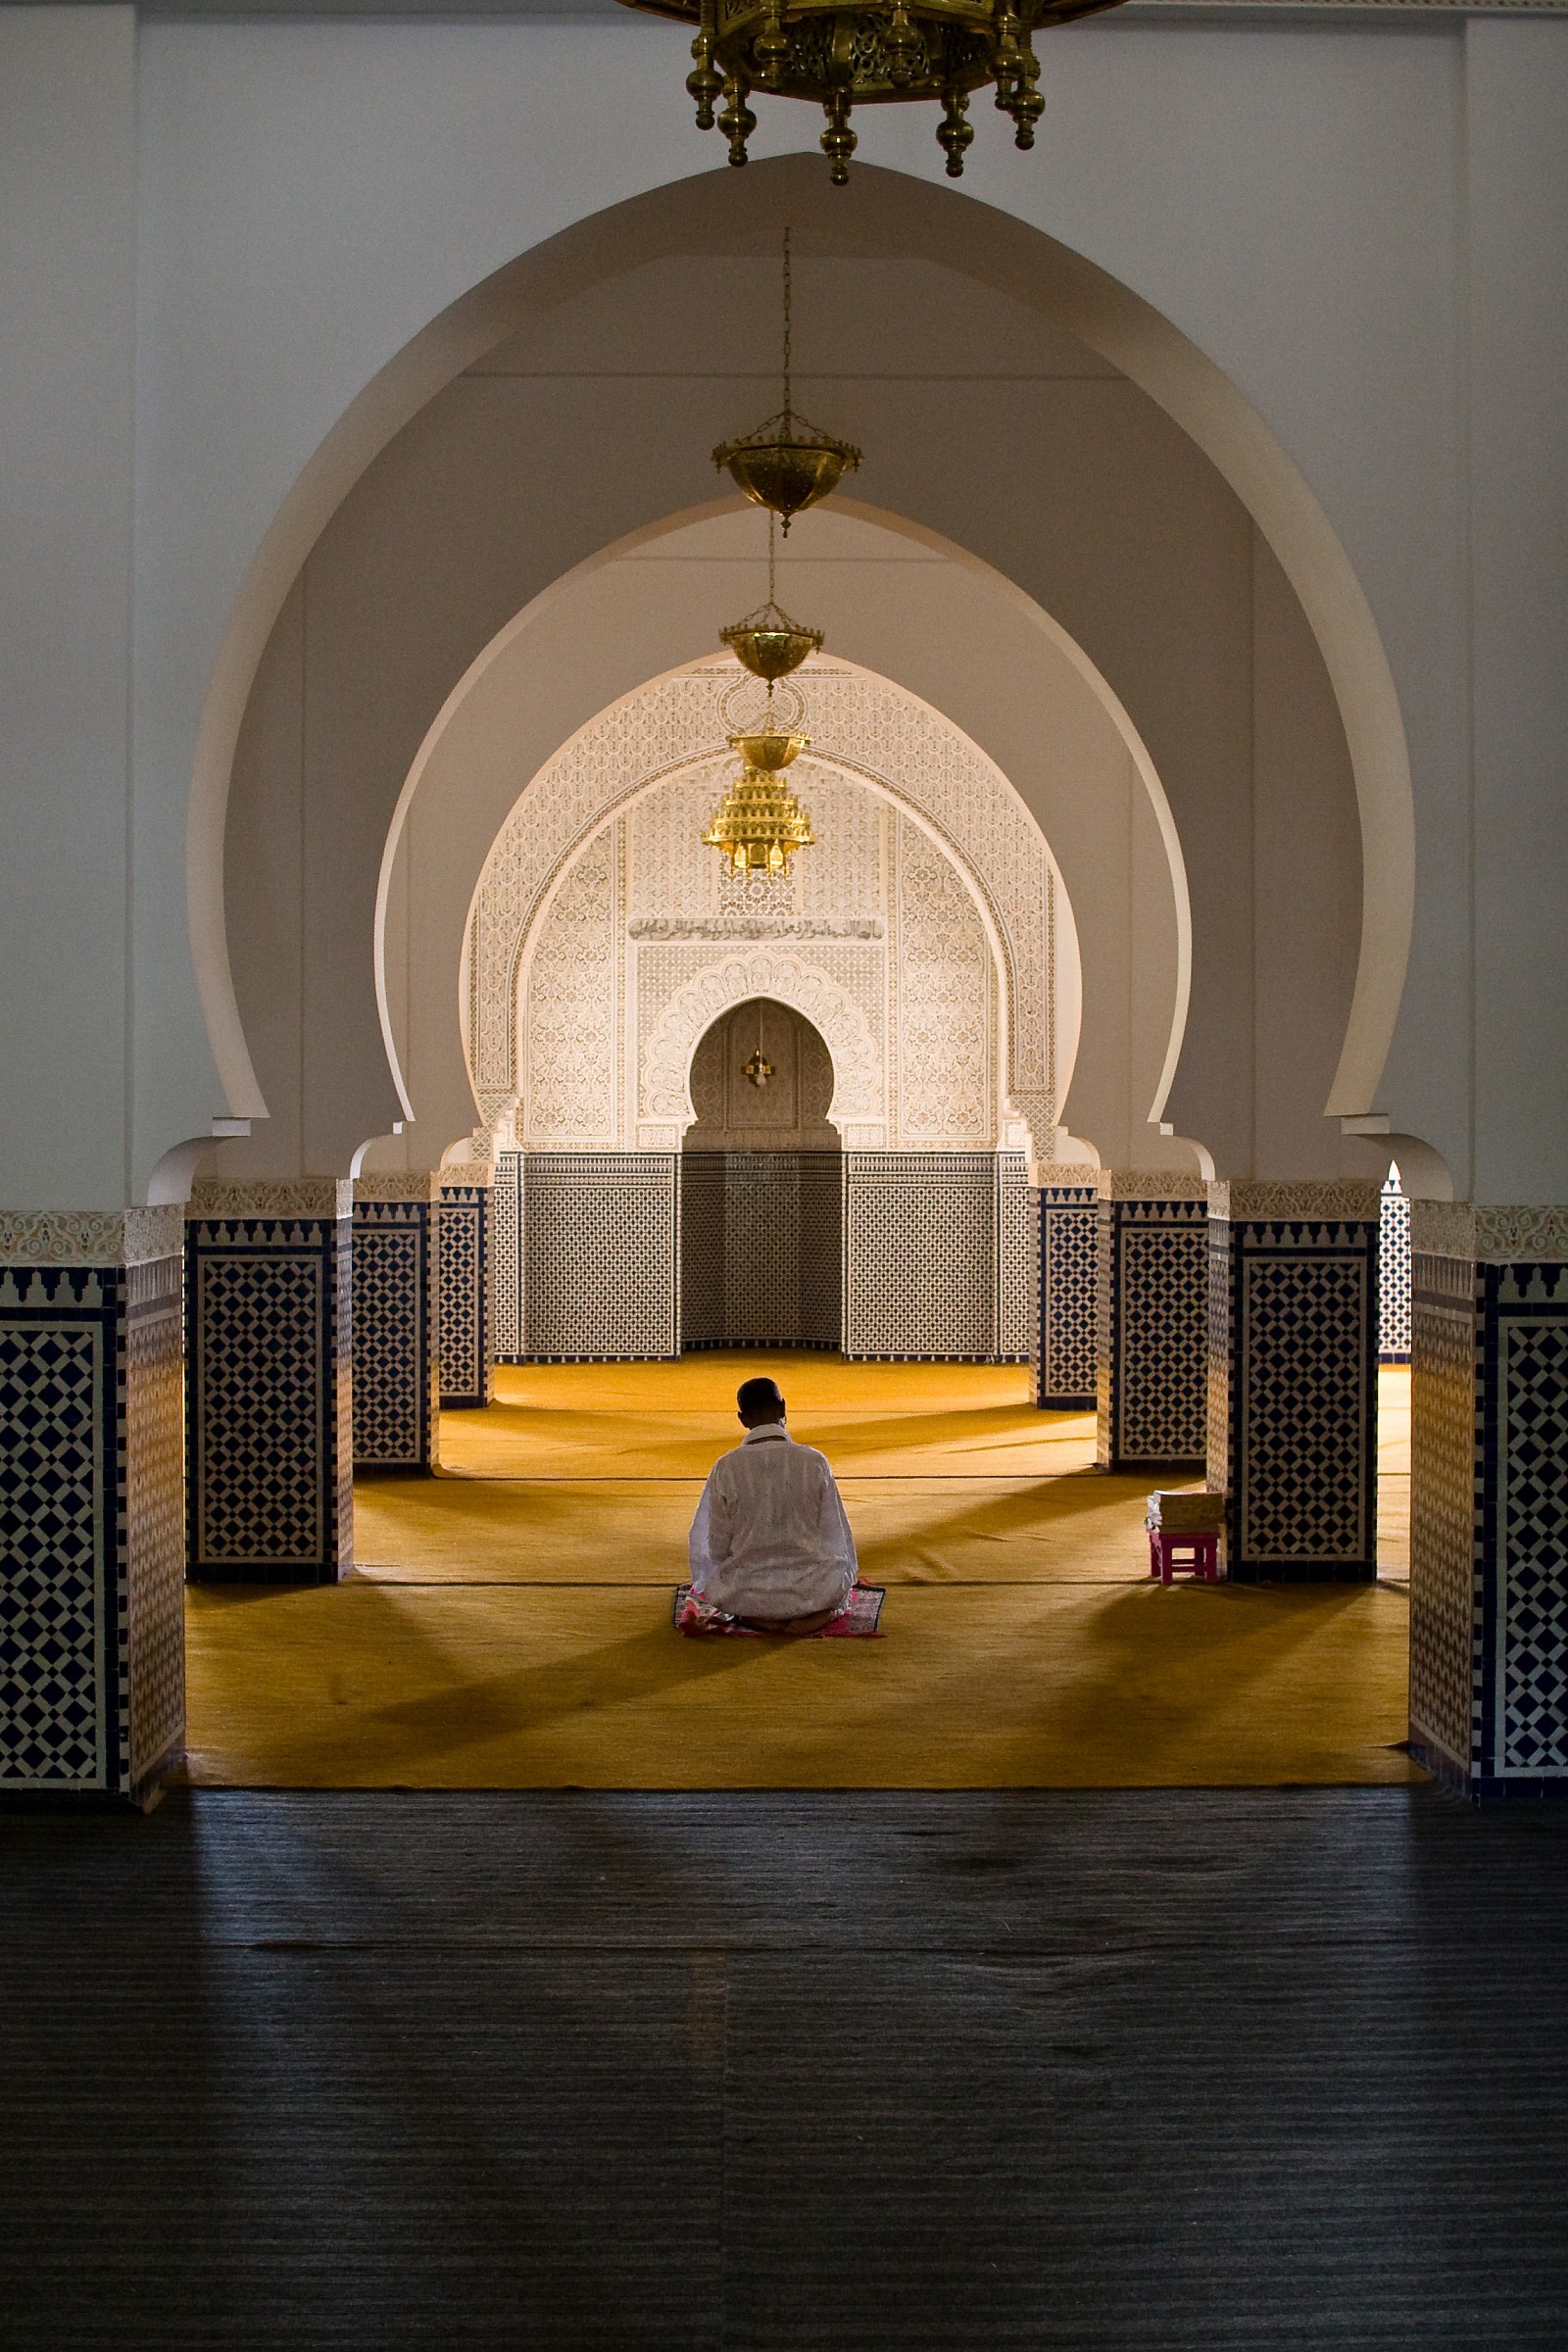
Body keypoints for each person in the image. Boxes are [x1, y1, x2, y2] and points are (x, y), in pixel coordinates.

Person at [687, 1375, 858, 1633]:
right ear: (783, 1408)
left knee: (713, 1580)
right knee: (841, 1575)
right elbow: (836, 1537)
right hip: (811, 1590)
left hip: (746, 1593)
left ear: (743, 1419)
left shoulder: (726, 1466)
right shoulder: (814, 1461)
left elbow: (716, 1548)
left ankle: (757, 1619)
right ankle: (813, 1617)